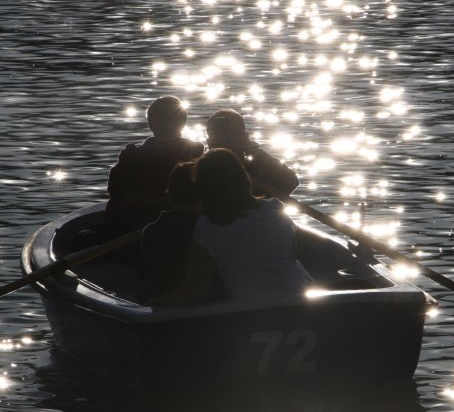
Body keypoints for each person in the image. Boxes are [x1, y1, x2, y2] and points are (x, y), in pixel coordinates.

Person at [152, 149, 311, 306]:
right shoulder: (276, 208)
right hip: (297, 302)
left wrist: (152, 304)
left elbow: (193, 294)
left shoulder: (207, 226)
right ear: (243, 178)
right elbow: (292, 256)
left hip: (249, 313)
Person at [106, 95, 204, 230]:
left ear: (182, 122)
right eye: (161, 118)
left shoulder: (196, 155)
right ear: (150, 122)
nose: (166, 123)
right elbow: (117, 191)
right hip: (131, 222)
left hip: (176, 225)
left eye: (170, 118)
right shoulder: (132, 155)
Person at [138, 162, 201, 300]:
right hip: (194, 303)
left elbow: (144, 274)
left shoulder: (150, 231)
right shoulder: (206, 228)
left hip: (161, 301)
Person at [205, 108, 299, 196]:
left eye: (232, 137)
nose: (228, 143)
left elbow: (291, 181)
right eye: (223, 139)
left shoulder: (254, 166)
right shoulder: (202, 170)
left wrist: (256, 152)